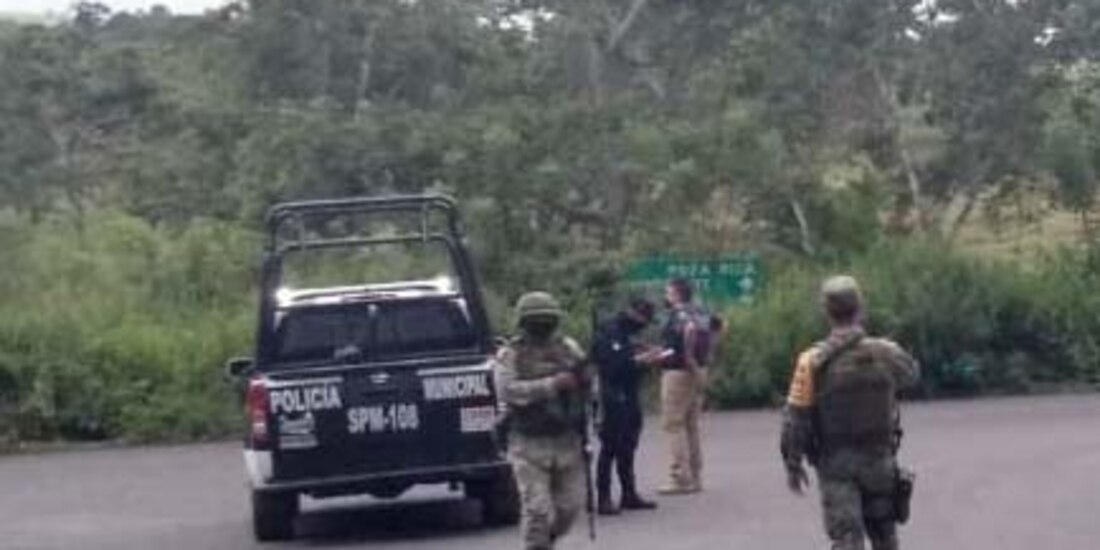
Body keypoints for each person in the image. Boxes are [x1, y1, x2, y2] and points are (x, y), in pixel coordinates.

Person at [780, 276, 920, 550]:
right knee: (885, 538)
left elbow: (796, 419)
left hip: (836, 464)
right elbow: (911, 376)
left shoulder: (812, 361)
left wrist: (793, 464)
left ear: (826, 312)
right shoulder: (886, 353)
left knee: (846, 540)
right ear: (861, 308)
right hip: (879, 459)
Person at [495, 291, 592, 550]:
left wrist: (585, 380)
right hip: (528, 441)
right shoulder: (510, 353)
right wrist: (551, 385)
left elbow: (588, 383)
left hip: (566, 439)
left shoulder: (568, 347)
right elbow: (507, 390)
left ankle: (544, 542)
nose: (543, 326)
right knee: (536, 509)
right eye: (537, 320)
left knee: (570, 507)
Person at [590, 297, 661, 515]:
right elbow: (612, 366)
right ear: (634, 313)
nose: (644, 325)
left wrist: (644, 358)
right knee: (610, 446)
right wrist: (640, 361)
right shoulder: (610, 331)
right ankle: (603, 498)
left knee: (629, 444)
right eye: (644, 319)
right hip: (609, 394)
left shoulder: (629, 334)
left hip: (628, 393)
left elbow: (627, 360)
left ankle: (629, 494)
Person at [658, 278, 711, 495]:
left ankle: (680, 477)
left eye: (668, 291)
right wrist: (705, 359)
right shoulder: (701, 311)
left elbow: (688, 331)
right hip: (698, 370)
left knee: (673, 424)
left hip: (679, 371)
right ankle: (695, 474)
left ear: (677, 294)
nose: (666, 295)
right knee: (691, 423)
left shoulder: (680, 314)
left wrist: (688, 358)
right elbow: (719, 326)